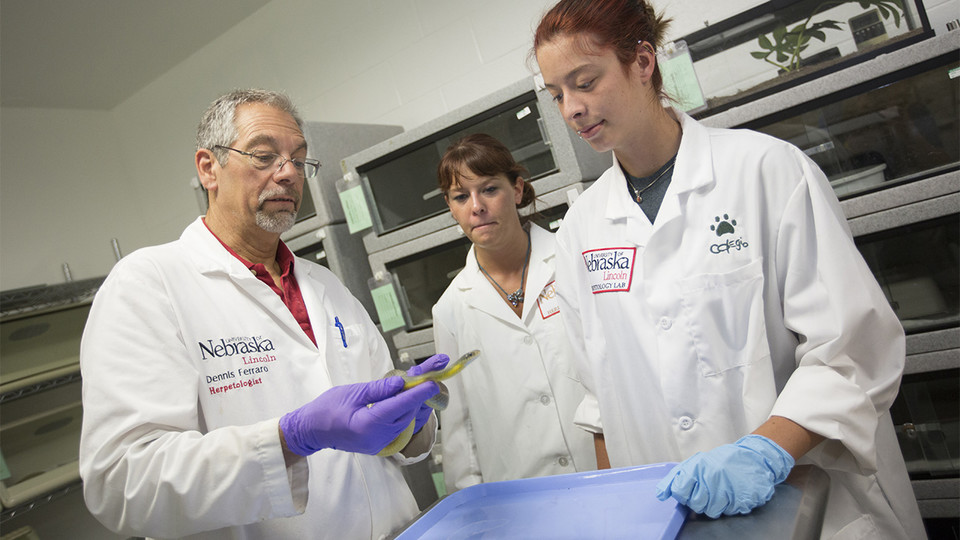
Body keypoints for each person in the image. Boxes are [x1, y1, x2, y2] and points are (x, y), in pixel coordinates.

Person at [533, 1, 926, 538]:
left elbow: (851, 350)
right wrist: (620, 512)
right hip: (675, 519)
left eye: (585, 82)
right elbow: (601, 399)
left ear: (643, 63)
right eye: (557, 95)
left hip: (813, 503)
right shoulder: (581, 229)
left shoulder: (767, 170)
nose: (572, 109)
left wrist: (766, 451)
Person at [78, 88, 448, 539]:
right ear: (208, 168)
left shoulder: (324, 284)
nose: (289, 173)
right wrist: (289, 438)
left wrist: (410, 422)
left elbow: (384, 431)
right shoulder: (148, 285)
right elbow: (123, 485)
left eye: (299, 159)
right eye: (264, 156)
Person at [432, 133, 597, 493]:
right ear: (451, 207)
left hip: (604, 468)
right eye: (461, 197)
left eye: (489, 189)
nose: (476, 206)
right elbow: (460, 428)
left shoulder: (572, 261)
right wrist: (475, 511)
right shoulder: (450, 308)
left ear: (518, 190)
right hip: (520, 496)